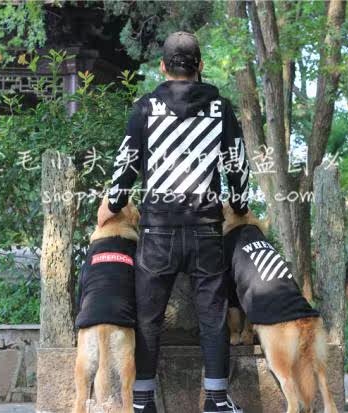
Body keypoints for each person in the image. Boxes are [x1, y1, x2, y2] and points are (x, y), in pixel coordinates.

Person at [97, 31, 249, 413]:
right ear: (200, 66)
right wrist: (240, 204)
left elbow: (126, 164)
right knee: (213, 317)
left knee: (148, 319)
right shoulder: (221, 108)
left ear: (163, 67)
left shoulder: (145, 108)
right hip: (205, 228)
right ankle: (216, 400)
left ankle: (142, 402)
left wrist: (113, 203)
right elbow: (237, 165)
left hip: (158, 231)